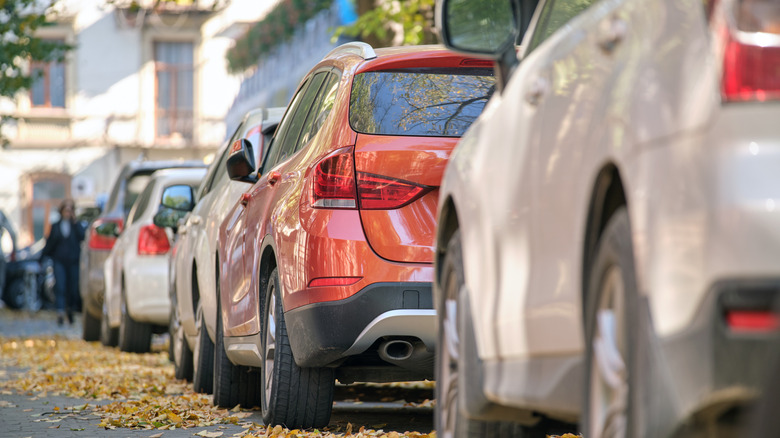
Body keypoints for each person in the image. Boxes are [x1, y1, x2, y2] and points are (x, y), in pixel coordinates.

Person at [42, 199, 85, 325]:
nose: (68, 212)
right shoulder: (55, 226)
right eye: (66, 209)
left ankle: (70, 310)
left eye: (70, 209)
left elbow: (82, 237)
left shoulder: (76, 225)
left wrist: (75, 222)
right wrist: (42, 257)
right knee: (60, 286)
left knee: (72, 287)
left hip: (73, 261)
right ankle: (60, 312)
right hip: (59, 260)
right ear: (61, 211)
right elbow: (49, 243)